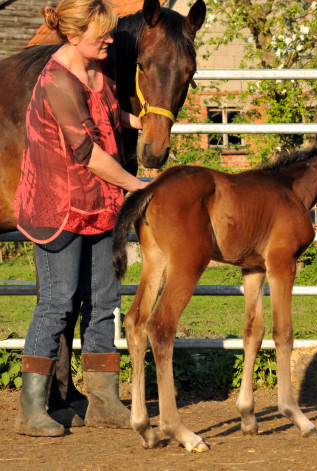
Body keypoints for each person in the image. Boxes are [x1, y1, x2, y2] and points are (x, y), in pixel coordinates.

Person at [13, 0, 146, 437]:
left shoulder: (95, 69)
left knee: (105, 300)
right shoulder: (56, 81)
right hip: (59, 205)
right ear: (73, 36)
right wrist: (135, 183)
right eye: (101, 33)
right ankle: (30, 409)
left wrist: (140, 120)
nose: (110, 39)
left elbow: (106, 112)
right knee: (57, 301)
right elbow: (86, 153)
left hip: (98, 205)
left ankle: (104, 400)